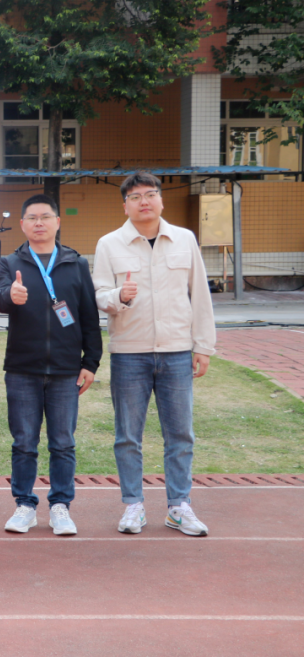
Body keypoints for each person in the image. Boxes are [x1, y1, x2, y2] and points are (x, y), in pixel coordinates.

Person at [93, 172, 215, 537]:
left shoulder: (184, 239)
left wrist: (203, 346)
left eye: (150, 194)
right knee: (127, 435)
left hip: (176, 352)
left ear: (161, 200)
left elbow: (200, 294)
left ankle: (179, 506)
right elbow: (98, 295)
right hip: (129, 353)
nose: (143, 201)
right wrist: (119, 296)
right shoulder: (109, 244)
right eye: (135, 197)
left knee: (180, 434)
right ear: (125, 205)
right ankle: (133, 505)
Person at [0, 194, 101, 536]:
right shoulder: (10, 262)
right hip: (22, 368)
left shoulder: (76, 263)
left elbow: (89, 316)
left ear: (57, 222)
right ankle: (24, 505)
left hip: (66, 370)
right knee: (24, 441)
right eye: (32, 218)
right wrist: (11, 296)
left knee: (63, 442)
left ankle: (60, 506)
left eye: (45, 217)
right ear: (22, 224)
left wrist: (90, 362)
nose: (39, 223)